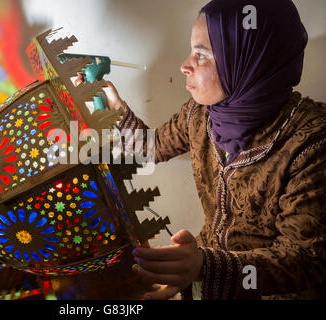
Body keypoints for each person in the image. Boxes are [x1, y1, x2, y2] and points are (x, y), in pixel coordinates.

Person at [101, 0, 325, 299]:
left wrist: (205, 266)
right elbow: (150, 148)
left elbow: (305, 260)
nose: (184, 65)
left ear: (248, 60)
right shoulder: (202, 113)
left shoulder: (312, 142)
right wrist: (114, 105)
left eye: (201, 55)